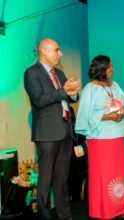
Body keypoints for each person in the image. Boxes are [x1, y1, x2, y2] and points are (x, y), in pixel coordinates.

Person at [24, 38, 80, 220]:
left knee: (62, 178)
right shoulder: (32, 73)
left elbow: (69, 98)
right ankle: (43, 216)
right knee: (45, 180)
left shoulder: (60, 73)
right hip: (47, 134)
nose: (60, 53)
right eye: (57, 50)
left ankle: (65, 216)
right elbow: (39, 100)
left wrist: (73, 93)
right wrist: (64, 91)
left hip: (65, 131)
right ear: (44, 51)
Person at [75, 55, 124, 220]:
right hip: (100, 140)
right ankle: (104, 211)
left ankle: (119, 208)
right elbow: (84, 115)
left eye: (112, 66)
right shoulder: (90, 89)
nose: (112, 69)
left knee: (118, 174)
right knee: (103, 176)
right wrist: (108, 116)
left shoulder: (116, 86)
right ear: (100, 69)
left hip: (117, 138)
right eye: (109, 67)